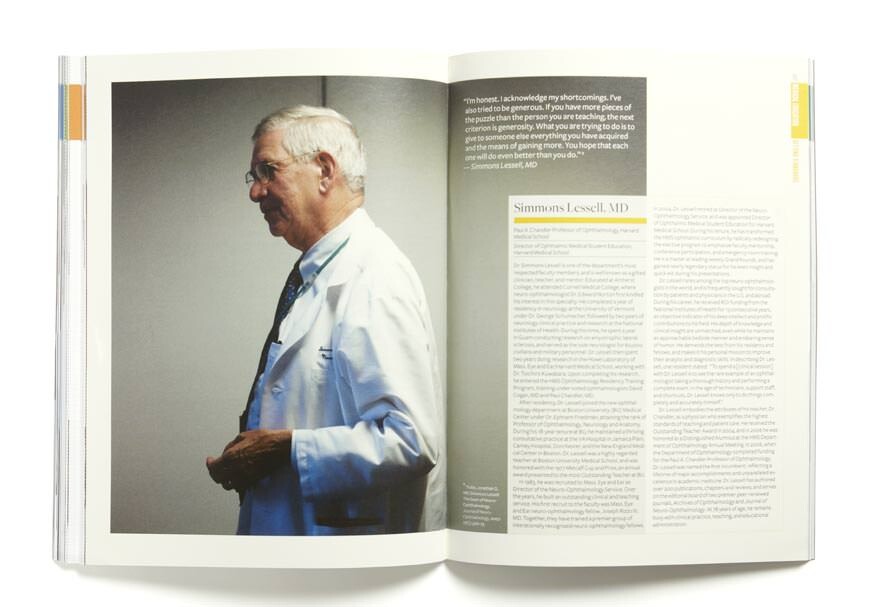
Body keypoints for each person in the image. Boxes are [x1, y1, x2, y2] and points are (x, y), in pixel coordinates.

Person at [206, 105, 444, 535]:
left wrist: (286, 450)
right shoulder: (318, 273)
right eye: (254, 176)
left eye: (268, 171)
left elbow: (411, 442)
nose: (256, 192)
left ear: (324, 170)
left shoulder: (374, 276)